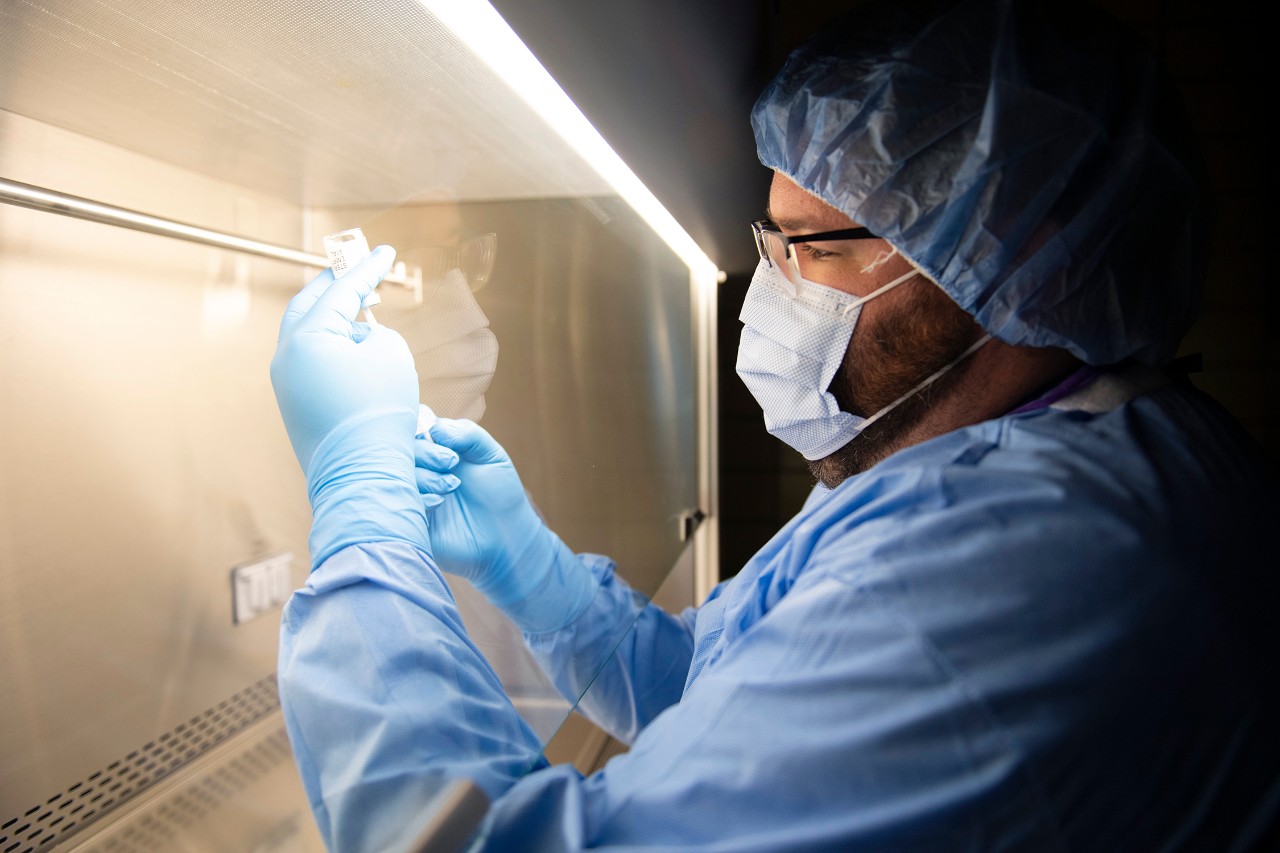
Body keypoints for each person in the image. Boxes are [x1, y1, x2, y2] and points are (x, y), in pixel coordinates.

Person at [269, 0, 1279, 849]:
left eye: (813, 249)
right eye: (771, 243)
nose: (773, 291)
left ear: (1016, 257)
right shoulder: (978, 453)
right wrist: (535, 574)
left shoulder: (1023, 562)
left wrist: (361, 507)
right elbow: (733, 697)